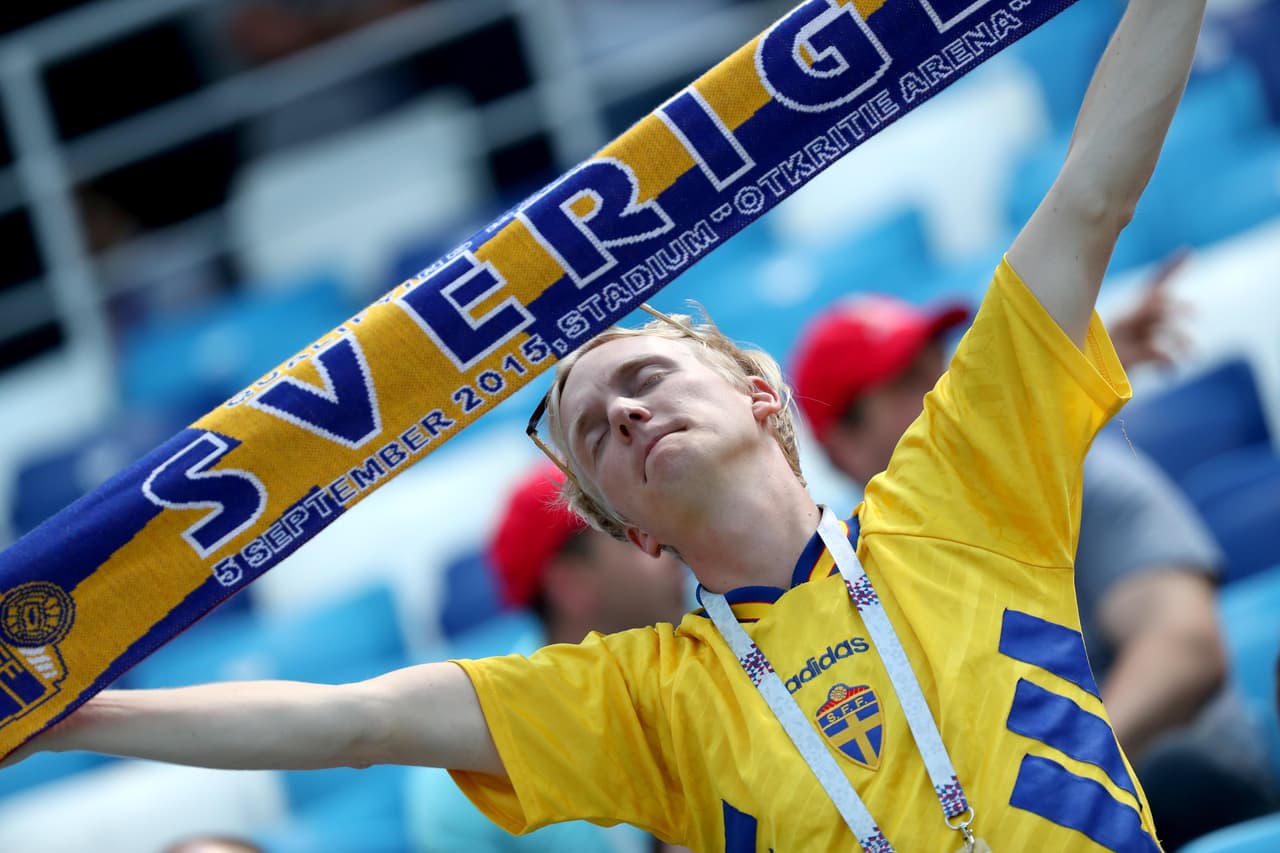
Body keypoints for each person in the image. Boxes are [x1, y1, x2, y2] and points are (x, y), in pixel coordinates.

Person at [2, 1, 1209, 849]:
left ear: (762, 400)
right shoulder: (638, 698)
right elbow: (356, 719)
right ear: (624, 529)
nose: (621, 407)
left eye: (642, 375)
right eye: (589, 431)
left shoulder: (954, 495)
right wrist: (66, 715)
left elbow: (1089, 193)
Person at [789, 264, 1279, 848]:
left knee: (1176, 783)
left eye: (937, 362)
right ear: (842, 447)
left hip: (1166, 788)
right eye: (904, 382)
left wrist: (1047, 793)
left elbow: (1186, 649)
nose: (940, 385)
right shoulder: (852, 578)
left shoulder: (1067, 473)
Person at [406, 463, 688, 853]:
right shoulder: (467, 778)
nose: (669, 544)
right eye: (634, 534)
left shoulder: (718, 642)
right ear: (572, 585)